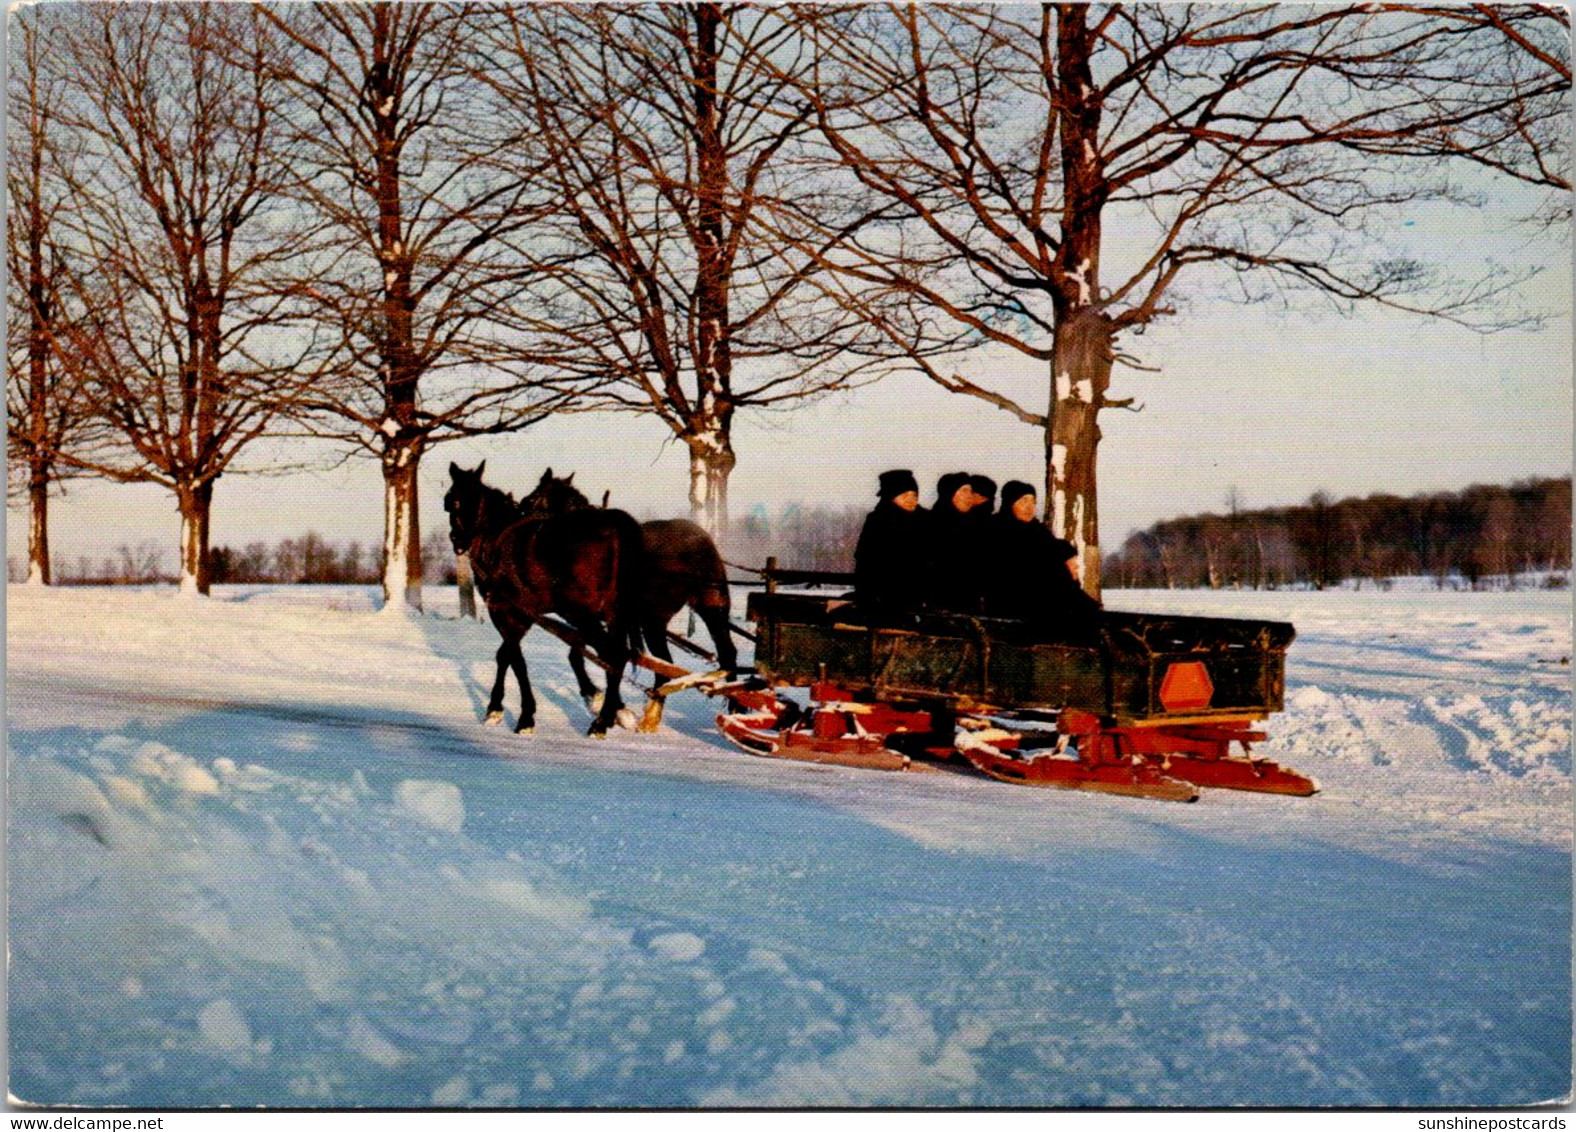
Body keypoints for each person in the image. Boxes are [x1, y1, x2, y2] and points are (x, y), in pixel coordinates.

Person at [987, 480, 1101, 634]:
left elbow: (1053, 546)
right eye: (1023, 501)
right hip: (1013, 594)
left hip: (1039, 593)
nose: (1030, 507)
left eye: (1033, 502)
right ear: (1010, 503)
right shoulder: (998, 527)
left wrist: (1067, 556)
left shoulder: (1036, 529)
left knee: (1080, 606)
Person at [853, 469, 930, 625]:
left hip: (919, 600)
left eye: (914, 495)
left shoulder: (926, 521)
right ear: (891, 497)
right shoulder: (878, 522)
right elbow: (865, 563)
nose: (911, 500)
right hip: (884, 600)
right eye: (905, 495)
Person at [928, 471, 986, 613]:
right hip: (939, 605)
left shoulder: (975, 525)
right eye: (963, 491)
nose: (969, 497)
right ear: (949, 493)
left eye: (971, 491)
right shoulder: (932, 524)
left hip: (970, 604)